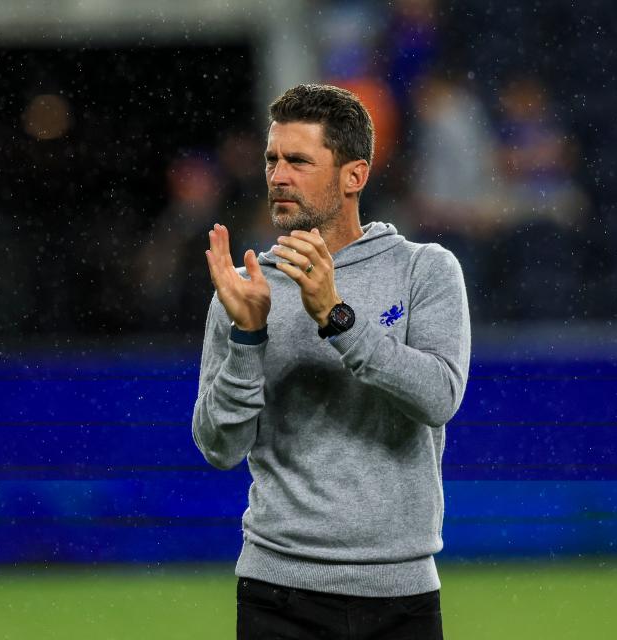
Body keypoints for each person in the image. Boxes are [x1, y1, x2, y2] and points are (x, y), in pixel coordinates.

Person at [192, 84, 470, 639]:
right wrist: (248, 337)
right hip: (278, 594)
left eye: (298, 160)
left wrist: (337, 317)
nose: (277, 175)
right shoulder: (247, 288)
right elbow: (219, 446)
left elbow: (439, 397)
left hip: (401, 594)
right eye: (272, 159)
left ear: (354, 176)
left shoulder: (425, 271)